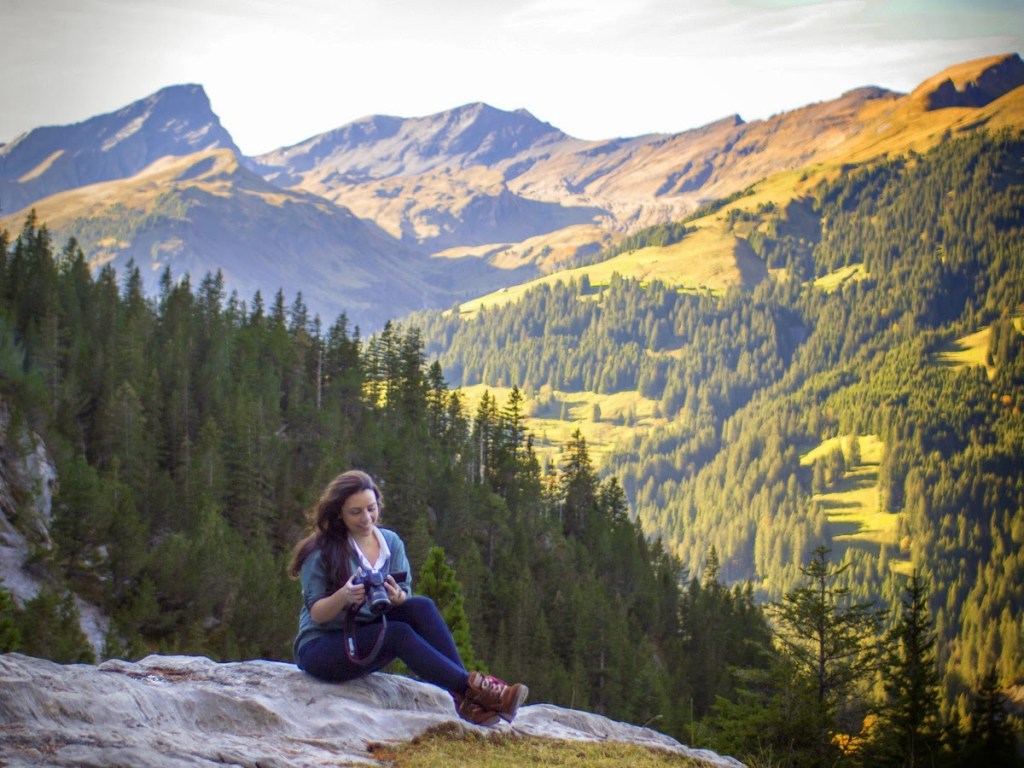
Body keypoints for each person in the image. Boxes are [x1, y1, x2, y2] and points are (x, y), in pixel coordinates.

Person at [288, 469, 528, 726]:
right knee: (398, 634)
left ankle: (465, 698)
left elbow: (407, 599)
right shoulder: (322, 551)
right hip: (322, 648)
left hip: (366, 634)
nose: (366, 518)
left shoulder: (391, 543)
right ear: (339, 513)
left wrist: (399, 598)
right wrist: (344, 595)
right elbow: (317, 614)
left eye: (371, 508)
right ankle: (477, 692)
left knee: (421, 606)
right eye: (355, 512)